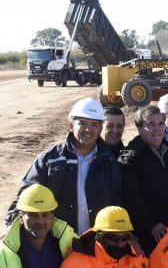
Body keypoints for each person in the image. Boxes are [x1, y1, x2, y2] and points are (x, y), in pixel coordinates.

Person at [10, 98, 121, 235]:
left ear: (100, 128)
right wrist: (10, 230)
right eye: (82, 123)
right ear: (71, 125)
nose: (88, 129)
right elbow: (26, 196)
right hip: (58, 240)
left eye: (94, 124)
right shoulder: (51, 159)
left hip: (97, 240)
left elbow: (118, 200)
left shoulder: (109, 161)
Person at [119, 105, 168, 256]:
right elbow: (131, 197)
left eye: (160, 123)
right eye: (151, 124)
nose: (157, 129)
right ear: (140, 128)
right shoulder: (130, 158)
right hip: (150, 234)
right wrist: (151, 223)